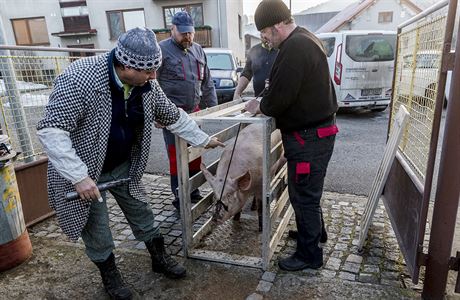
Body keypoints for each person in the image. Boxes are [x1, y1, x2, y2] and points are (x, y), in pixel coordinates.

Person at [37, 27, 224, 300]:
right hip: (86, 169)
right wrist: (78, 176)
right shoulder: (79, 78)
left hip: (123, 165)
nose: (153, 77)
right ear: (125, 65)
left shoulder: (146, 84)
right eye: (147, 72)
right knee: (97, 227)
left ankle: (159, 259)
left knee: (143, 212)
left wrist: (204, 139)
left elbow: (172, 115)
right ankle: (110, 276)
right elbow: (51, 130)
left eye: (154, 70)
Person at [245, 0, 339, 272]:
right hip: (315, 133)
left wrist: (259, 106)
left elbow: (279, 99)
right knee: (309, 190)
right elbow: (285, 88)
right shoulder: (304, 39)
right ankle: (315, 234)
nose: (264, 38)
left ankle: (309, 255)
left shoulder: (296, 47)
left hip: (309, 137)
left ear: (276, 26)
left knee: (303, 194)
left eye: (264, 31)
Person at [157, 11, 218, 211]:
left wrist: (214, 108)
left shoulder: (199, 51)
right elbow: (151, 83)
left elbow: (207, 82)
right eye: (183, 33)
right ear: (172, 29)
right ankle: (180, 197)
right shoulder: (161, 51)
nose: (188, 37)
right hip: (172, 115)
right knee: (177, 157)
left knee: (195, 153)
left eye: (190, 33)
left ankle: (194, 191)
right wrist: (156, 114)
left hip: (195, 112)